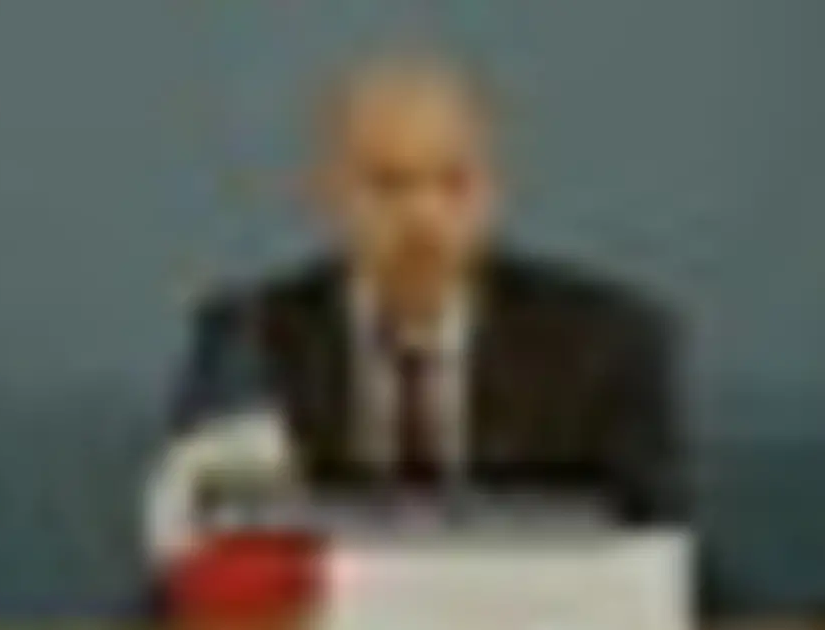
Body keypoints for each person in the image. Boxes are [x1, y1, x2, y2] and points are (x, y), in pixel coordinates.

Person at [166, 48, 685, 523]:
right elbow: (202, 543)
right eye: (387, 185)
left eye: (454, 183)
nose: (423, 218)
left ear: (495, 192)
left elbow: (662, 550)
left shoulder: (603, 345)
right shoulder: (248, 338)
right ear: (326, 192)